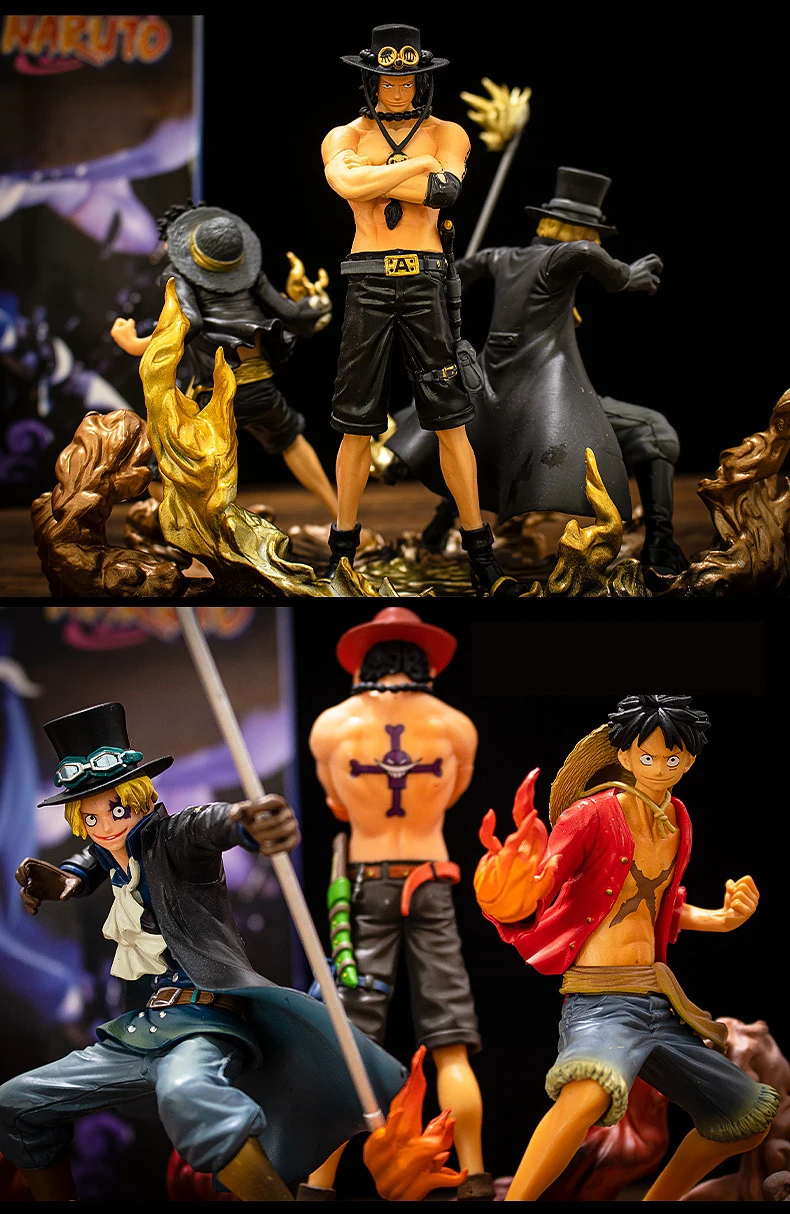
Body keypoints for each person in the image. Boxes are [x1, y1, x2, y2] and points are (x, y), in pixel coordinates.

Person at [0, 701, 406, 1201]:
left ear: (143, 799)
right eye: (90, 817)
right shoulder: (111, 853)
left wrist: (245, 822)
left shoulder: (174, 837)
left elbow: (210, 825)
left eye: (117, 810)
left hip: (204, 1022)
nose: (105, 826)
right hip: (142, 1032)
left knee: (187, 1094)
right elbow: (84, 866)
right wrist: (58, 882)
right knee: (15, 1104)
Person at [474, 694, 779, 1201]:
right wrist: (510, 894)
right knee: (586, 1095)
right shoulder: (591, 814)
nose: (659, 768)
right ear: (624, 755)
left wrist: (723, 918)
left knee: (745, 1117)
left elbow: (658, 904)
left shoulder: (676, 819)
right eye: (647, 756)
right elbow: (542, 887)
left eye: (672, 759)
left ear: (690, 760)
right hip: (600, 1003)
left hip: (658, 1002)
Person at [388, 167, 688, 580]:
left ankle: (436, 533)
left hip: (491, 397)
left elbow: (463, 270)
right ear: (583, 232)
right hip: (541, 405)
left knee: (479, 443)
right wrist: (625, 277)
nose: (595, 243)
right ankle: (661, 546)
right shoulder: (561, 258)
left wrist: (440, 277)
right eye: (594, 234)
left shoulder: (505, 257)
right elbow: (583, 254)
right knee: (656, 431)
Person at [321, 23, 520, 595]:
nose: (397, 90)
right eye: (387, 80)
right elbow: (346, 184)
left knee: (450, 418)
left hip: (427, 280)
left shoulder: (446, 132)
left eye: (407, 80)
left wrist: (374, 179)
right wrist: (414, 167)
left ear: (422, 80)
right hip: (367, 280)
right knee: (356, 422)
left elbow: (445, 193)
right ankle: (342, 551)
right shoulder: (344, 135)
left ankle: (479, 552)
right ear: (370, 80)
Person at [304, 608, 494, 1201]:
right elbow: (452, 795)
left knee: (351, 1043)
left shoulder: (332, 728)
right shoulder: (456, 728)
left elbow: (337, 804)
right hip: (431, 876)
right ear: (425, 664)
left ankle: (318, 1184)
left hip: (367, 881)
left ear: (363, 664)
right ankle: (475, 1174)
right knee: (450, 1040)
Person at [110, 202, 338, 519]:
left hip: (218, 395)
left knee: (162, 466)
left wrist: (135, 344)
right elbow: (289, 313)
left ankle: (206, 538)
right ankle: (342, 518)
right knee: (291, 440)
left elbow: (189, 321)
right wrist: (315, 305)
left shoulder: (177, 275)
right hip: (261, 386)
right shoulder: (248, 272)